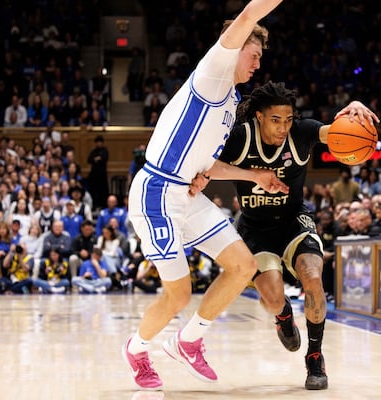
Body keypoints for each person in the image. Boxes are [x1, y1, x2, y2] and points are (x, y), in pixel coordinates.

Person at [123, 0, 288, 390]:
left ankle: (189, 341)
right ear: (237, 45)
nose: (258, 64)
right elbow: (249, 15)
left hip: (186, 194)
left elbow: (207, 167)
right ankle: (136, 348)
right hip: (156, 193)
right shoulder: (213, 73)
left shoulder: (230, 102)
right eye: (255, 53)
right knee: (178, 295)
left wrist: (254, 176)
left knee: (243, 266)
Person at [191, 81, 379, 389]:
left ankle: (315, 357)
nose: (283, 127)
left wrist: (356, 106)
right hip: (255, 227)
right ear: (260, 117)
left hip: (294, 220)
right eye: (276, 120)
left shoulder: (301, 132)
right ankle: (283, 317)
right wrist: (228, 177)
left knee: (313, 279)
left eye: (288, 119)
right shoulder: (240, 137)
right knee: (274, 296)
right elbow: (209, 165)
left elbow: (335, 132)